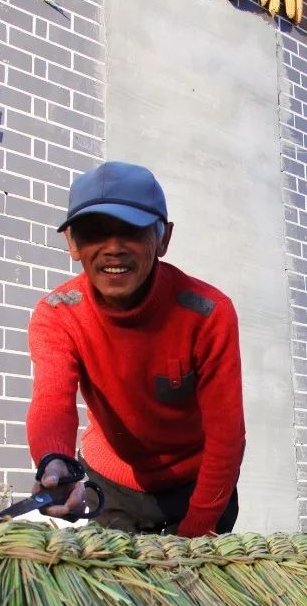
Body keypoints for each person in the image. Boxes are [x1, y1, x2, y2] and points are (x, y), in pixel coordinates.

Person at [24, 161, 245, 537]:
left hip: (197, 488)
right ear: (73, 243)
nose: (113, 249)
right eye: (95, 233)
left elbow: (226, 436)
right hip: (109, 486)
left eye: (132, 232)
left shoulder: (207, 313)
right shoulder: (59, 313)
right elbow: (52, 400)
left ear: (163, 239)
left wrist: (193, 533)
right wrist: (54, 461)